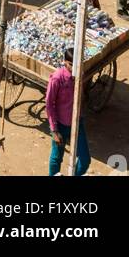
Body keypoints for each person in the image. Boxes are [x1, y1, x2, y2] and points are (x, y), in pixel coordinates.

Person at [46, 47, 91, 176]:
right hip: (60, 124)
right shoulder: (57, 78)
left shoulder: (78, 75)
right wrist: (54, 130)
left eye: (76, 65)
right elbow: (49, 104)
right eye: (71, 65)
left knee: (85, 159)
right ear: (65, 62)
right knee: (56, 158)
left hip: (77, 122)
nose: (74, 68)